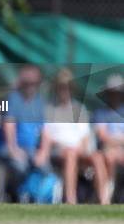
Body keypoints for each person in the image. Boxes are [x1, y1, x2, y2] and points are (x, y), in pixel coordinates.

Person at [44, 68, 109, 204]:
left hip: (78, 150)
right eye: (61, 87)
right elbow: (47, 136)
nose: (64, 90)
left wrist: (82, 149)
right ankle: (71, 199)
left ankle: (104, 200)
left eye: (67, 87)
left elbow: (85, 136)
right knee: (70, 154)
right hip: (59, 151)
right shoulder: (49, 110)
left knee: (97, 157)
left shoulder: (80, 109)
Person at [0, 65, 51, 201]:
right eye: (27, 83)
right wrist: (13, 149)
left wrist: (43, 151)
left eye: (34, 83)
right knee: (20, 165)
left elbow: (45, 131)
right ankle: (13, 197)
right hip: (9, 148)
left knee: (45, 167)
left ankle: (34, 198)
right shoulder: (13, 99)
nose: (30, 86)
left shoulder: (40, 102)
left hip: (31, 149)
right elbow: (9, 126)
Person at [93, 73, 124, 201]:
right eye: (112, 92)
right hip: (107, 151)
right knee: (108, 157)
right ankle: (108, 194)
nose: (114, 96)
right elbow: (102, 136)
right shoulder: (100, 113)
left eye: (117, 92)